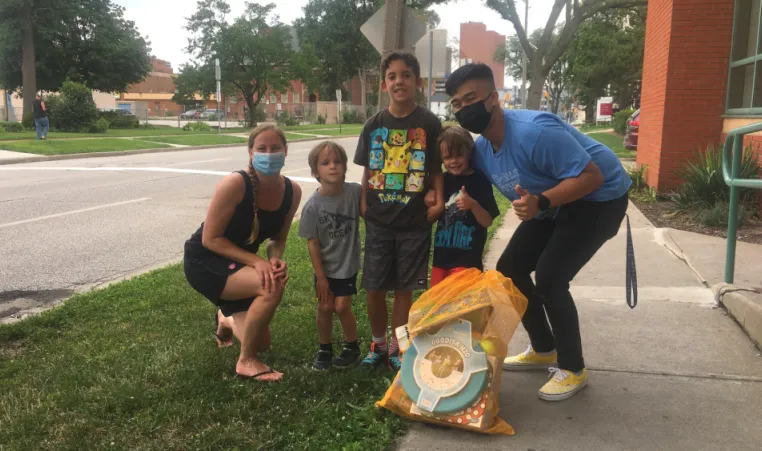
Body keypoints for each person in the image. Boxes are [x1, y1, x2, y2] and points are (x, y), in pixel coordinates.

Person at [445, 63, 632, 401]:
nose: (463, 108)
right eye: (456, 103)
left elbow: (592, 178)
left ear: (493, 99)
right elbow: (459, 170)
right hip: (549, 201)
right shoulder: (484, 151)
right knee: (511, 271)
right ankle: (544, 348)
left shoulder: (535, 132)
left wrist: (542, 202)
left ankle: (573, 368)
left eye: (470, 98)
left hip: (600, 197)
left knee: (550, 277)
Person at [183, 124, 302, 382]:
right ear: (250, 153)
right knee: (271, 286)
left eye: (275, 148)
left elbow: (278, 238)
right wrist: (257, 262)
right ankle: (246, 362)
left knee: (263, 342)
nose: (269, 154)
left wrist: (274, 259)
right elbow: (210, 239)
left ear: (286, 151)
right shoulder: (236, 184)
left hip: (238, 264)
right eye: (262, 148)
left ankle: (225, 320)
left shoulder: (292, 191)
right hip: (204, 260)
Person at [353, 51, 445, 371]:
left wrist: (440, 198)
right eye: (392, 76)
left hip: (415, 221)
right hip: (379, 219)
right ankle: (378, 343)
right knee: (375, 286)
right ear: (383, 85)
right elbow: (367, 168)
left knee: (405, 288)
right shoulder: (373, 125)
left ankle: (399, 346)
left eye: (406, 75)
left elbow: (435, 169)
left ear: (417, 82)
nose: (399, 81)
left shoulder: (430, 123)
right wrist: (364, 201)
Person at [299, 141, 362, 371]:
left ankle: (351, 347)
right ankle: (324, 349)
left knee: (342, 306)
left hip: (347, 264)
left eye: (338, 162)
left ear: (345, 166)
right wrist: (321, 277)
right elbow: (313, 244)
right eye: (325, 163)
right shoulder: (312, 207)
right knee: (325, 307)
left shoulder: (355, 192)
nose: (333, 167)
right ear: (316, 171)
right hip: (324, 268)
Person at [425, 126, 500, 287]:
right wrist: (430, 195)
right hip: (441, 260)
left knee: (461, 307)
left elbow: (487, 221)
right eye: (447, 157)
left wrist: (472, 205)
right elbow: (430, 215)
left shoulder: (479, 181)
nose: (453, 161)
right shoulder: (442, 181)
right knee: (438, 304)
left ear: (469, 153)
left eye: (459, 155)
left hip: (467, 262)